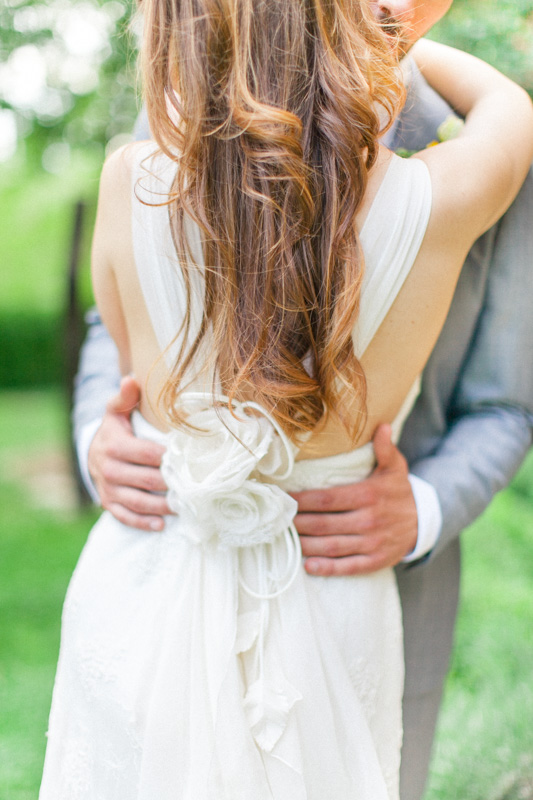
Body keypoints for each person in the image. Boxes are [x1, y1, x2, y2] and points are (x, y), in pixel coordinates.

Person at [42, 0, 533, 794]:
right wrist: (99, 437)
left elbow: (134, 345)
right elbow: (514, 112)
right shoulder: (448, 192)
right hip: (331, 606)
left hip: (149, 574)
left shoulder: (133, 175)